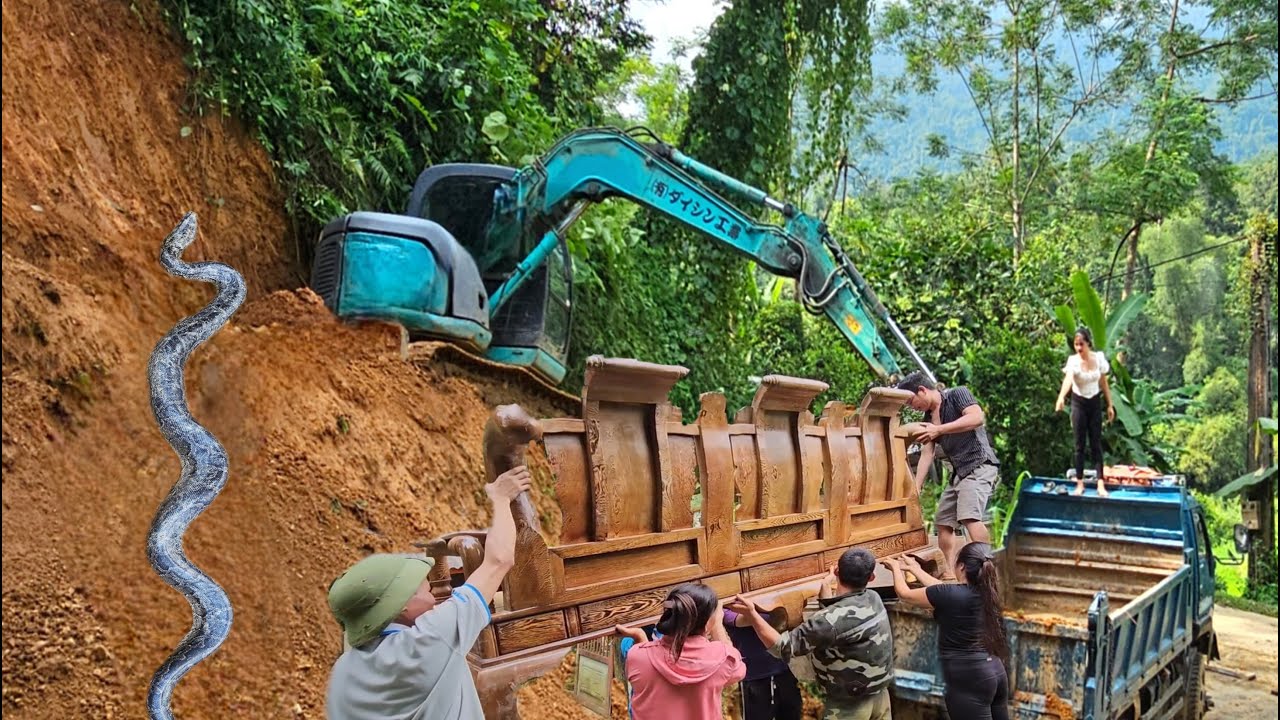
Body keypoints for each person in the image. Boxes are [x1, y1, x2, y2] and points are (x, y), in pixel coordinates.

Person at [325, 465, 533, 720]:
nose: (431, 589)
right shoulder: (428, 641)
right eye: (419, 584)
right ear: (398, 606)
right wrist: (500, 497)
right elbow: (499, 560)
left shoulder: (344, 670)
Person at [727, 548, 894, 720]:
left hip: (850, 705)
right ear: (871, 577)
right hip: (880, 696)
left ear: (837, 571)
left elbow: (782, 647)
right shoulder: (874, 598)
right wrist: (825, 586)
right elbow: (836, 620)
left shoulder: (828, 621)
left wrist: (753, 615)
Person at [883, 544, 1010, 720]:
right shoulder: (987, 591)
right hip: (995, 671)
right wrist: (916, 569)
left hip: (968, 678)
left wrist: (896, 569)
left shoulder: (952, 594)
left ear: (962, 566)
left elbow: (905, 594)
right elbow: (941, 589)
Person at [896, 371, 1001, 575]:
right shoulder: (929, 417)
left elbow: (976, 417)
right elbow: (928, 452)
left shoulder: (957, 394)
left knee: (969, 517)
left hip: (978, 464)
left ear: (922, 390)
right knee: (943, 522)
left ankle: (987, 571)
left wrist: (940, 429)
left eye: (911, 401)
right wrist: (916, 486)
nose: (912, 407)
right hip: (958, 474)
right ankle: (950, 572)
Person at [614, 583, 746, 719]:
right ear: (707, 623)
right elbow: (736, 667)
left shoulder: (637, 655)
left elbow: (646, 662)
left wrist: (639, 637)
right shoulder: (724, 659)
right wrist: (717, 624)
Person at [1054, 326, 1115, 497]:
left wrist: (1110, 405)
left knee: (1096, 443)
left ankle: (1100, 484)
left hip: (1094, 402)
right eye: (1076, 345)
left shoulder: (1099, 359)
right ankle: (1079, 483)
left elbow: (1104, 382)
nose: (1079, 348)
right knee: (1079, 445)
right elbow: (1068, 380)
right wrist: (1061, 398)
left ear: (1088, 344)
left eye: (1082, 344)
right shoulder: (1073, 361)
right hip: (1079, 403)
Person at [722, 606, 803, 720]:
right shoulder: (728, 605)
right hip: (754, 675)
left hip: (784, 670)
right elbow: (742, 620)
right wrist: (780, 613)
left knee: (791, 713)